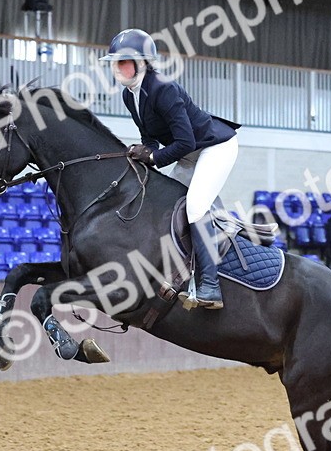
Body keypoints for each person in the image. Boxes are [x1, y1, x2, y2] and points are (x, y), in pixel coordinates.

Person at [101, 28, 240, 310]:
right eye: (115, 62)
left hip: (215, 148)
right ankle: (177, 272)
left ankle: (210, 287)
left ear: (142, 63)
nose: (117, 68)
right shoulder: (130, 95)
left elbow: (184, 140)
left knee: (196, 208)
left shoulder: (164, 89)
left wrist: (152, 159)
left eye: (123, 62)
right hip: (190, 153)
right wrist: (144, 155)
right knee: (169, 205)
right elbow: (150, 139)